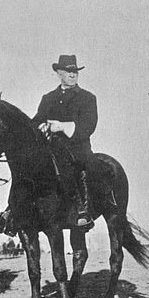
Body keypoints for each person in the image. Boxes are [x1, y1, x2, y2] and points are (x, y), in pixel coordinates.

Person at [31, 54, 98, 231]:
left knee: (70, 163)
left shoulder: (87, 98)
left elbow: (88, 126)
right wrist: (42, 126)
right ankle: (14, 210)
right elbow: (37, 120)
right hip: (50, 147)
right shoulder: (48, 98)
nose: (73, 74)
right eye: (68, 71)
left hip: (77, 147)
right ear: (59, 72)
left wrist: (61, 127)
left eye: (75, 71)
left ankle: (80, 208)